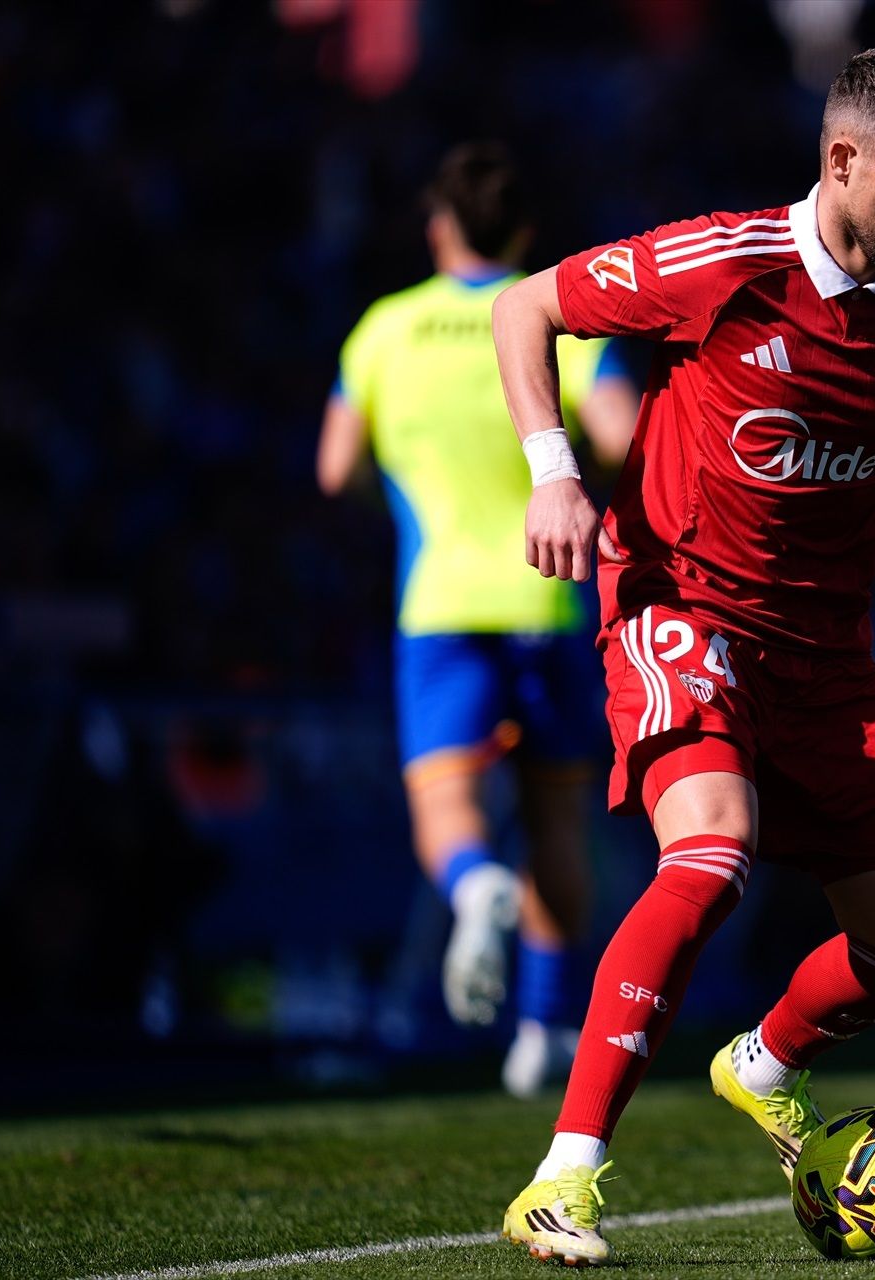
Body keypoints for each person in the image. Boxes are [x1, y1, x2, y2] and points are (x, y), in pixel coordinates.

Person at [488, 49, 875, 1267]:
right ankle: (562, 1176)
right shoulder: (723, 263)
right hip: (683, 604)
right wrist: (556, 474)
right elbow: (528, 307)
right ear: (842, 160)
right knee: (713, 852)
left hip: (825, 644)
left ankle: (763, 1061)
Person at [317, 142, 636, 1097]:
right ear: (525, 232)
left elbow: (334, 472)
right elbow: (620, 435)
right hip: (547, 591)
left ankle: (470, 885)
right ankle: (543, 1030)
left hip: (441, 603)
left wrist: (406, 500)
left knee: (446, 808)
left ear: (438, 228)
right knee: (559, 823)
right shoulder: (562, 323)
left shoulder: (384, 331)